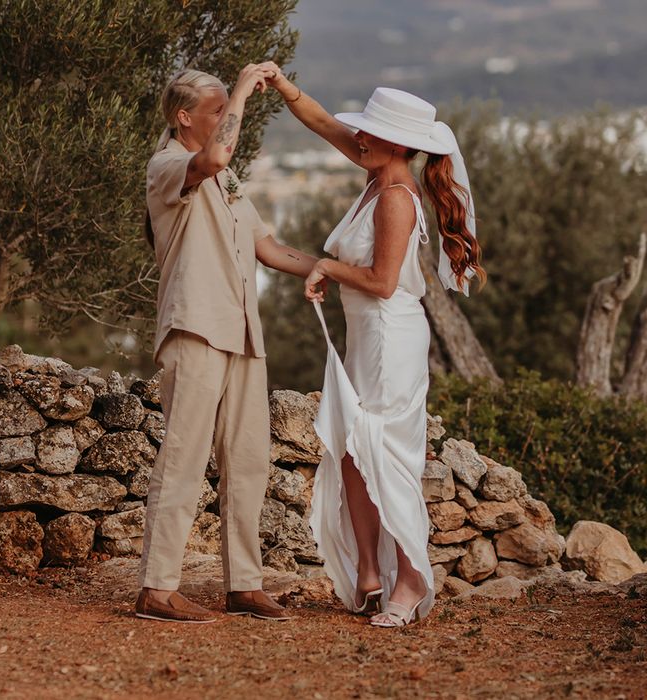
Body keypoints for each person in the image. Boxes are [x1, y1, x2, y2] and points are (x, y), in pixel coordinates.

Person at [267, 69, 485, 627]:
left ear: (398, 144)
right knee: (350, 451)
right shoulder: (374, 169)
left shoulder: (395, 197)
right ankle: (368, 570)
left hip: (391, 335)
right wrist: (282, 85)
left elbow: (384, 282)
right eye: (361, 131)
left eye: (369, 133)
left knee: (385, 456)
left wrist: (327, 265)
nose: (357, 138)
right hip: (367, 334)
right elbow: (321, 123)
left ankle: (410, 580)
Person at [135, 64, 323, 624]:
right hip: (195, 327)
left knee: (248, 461)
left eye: (227, 109)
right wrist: (241, 88)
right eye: (214, 110)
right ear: (184, 117)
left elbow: (268, 248)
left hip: (243, 333)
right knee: (184, 458)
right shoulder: (170, 166)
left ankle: (244, 584)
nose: (224, 119)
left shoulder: (227, 180)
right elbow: (215, 156)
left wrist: (334, 270)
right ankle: (155, 588)